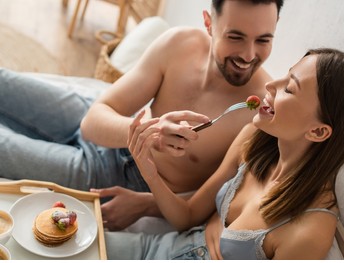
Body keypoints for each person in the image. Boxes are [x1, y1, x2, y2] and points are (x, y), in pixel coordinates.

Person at [0, 0, 284, 231]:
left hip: (119, 177)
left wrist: (146, 204)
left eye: (263, 40)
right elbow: (92, 122)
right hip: (116, 123)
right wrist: (153, 133)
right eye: (235, 37)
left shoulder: (259, 116)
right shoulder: (179, 44)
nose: (248, 55)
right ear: (209, 24)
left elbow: (208, 205)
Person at [104, 48, 344, 260]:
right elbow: (188, 216)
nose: (271, 86)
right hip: (164, 247)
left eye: (290, 88)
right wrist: (150, 173)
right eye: (286, 73)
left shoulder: (310, 230)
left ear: (318, 132)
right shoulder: (253, 140)